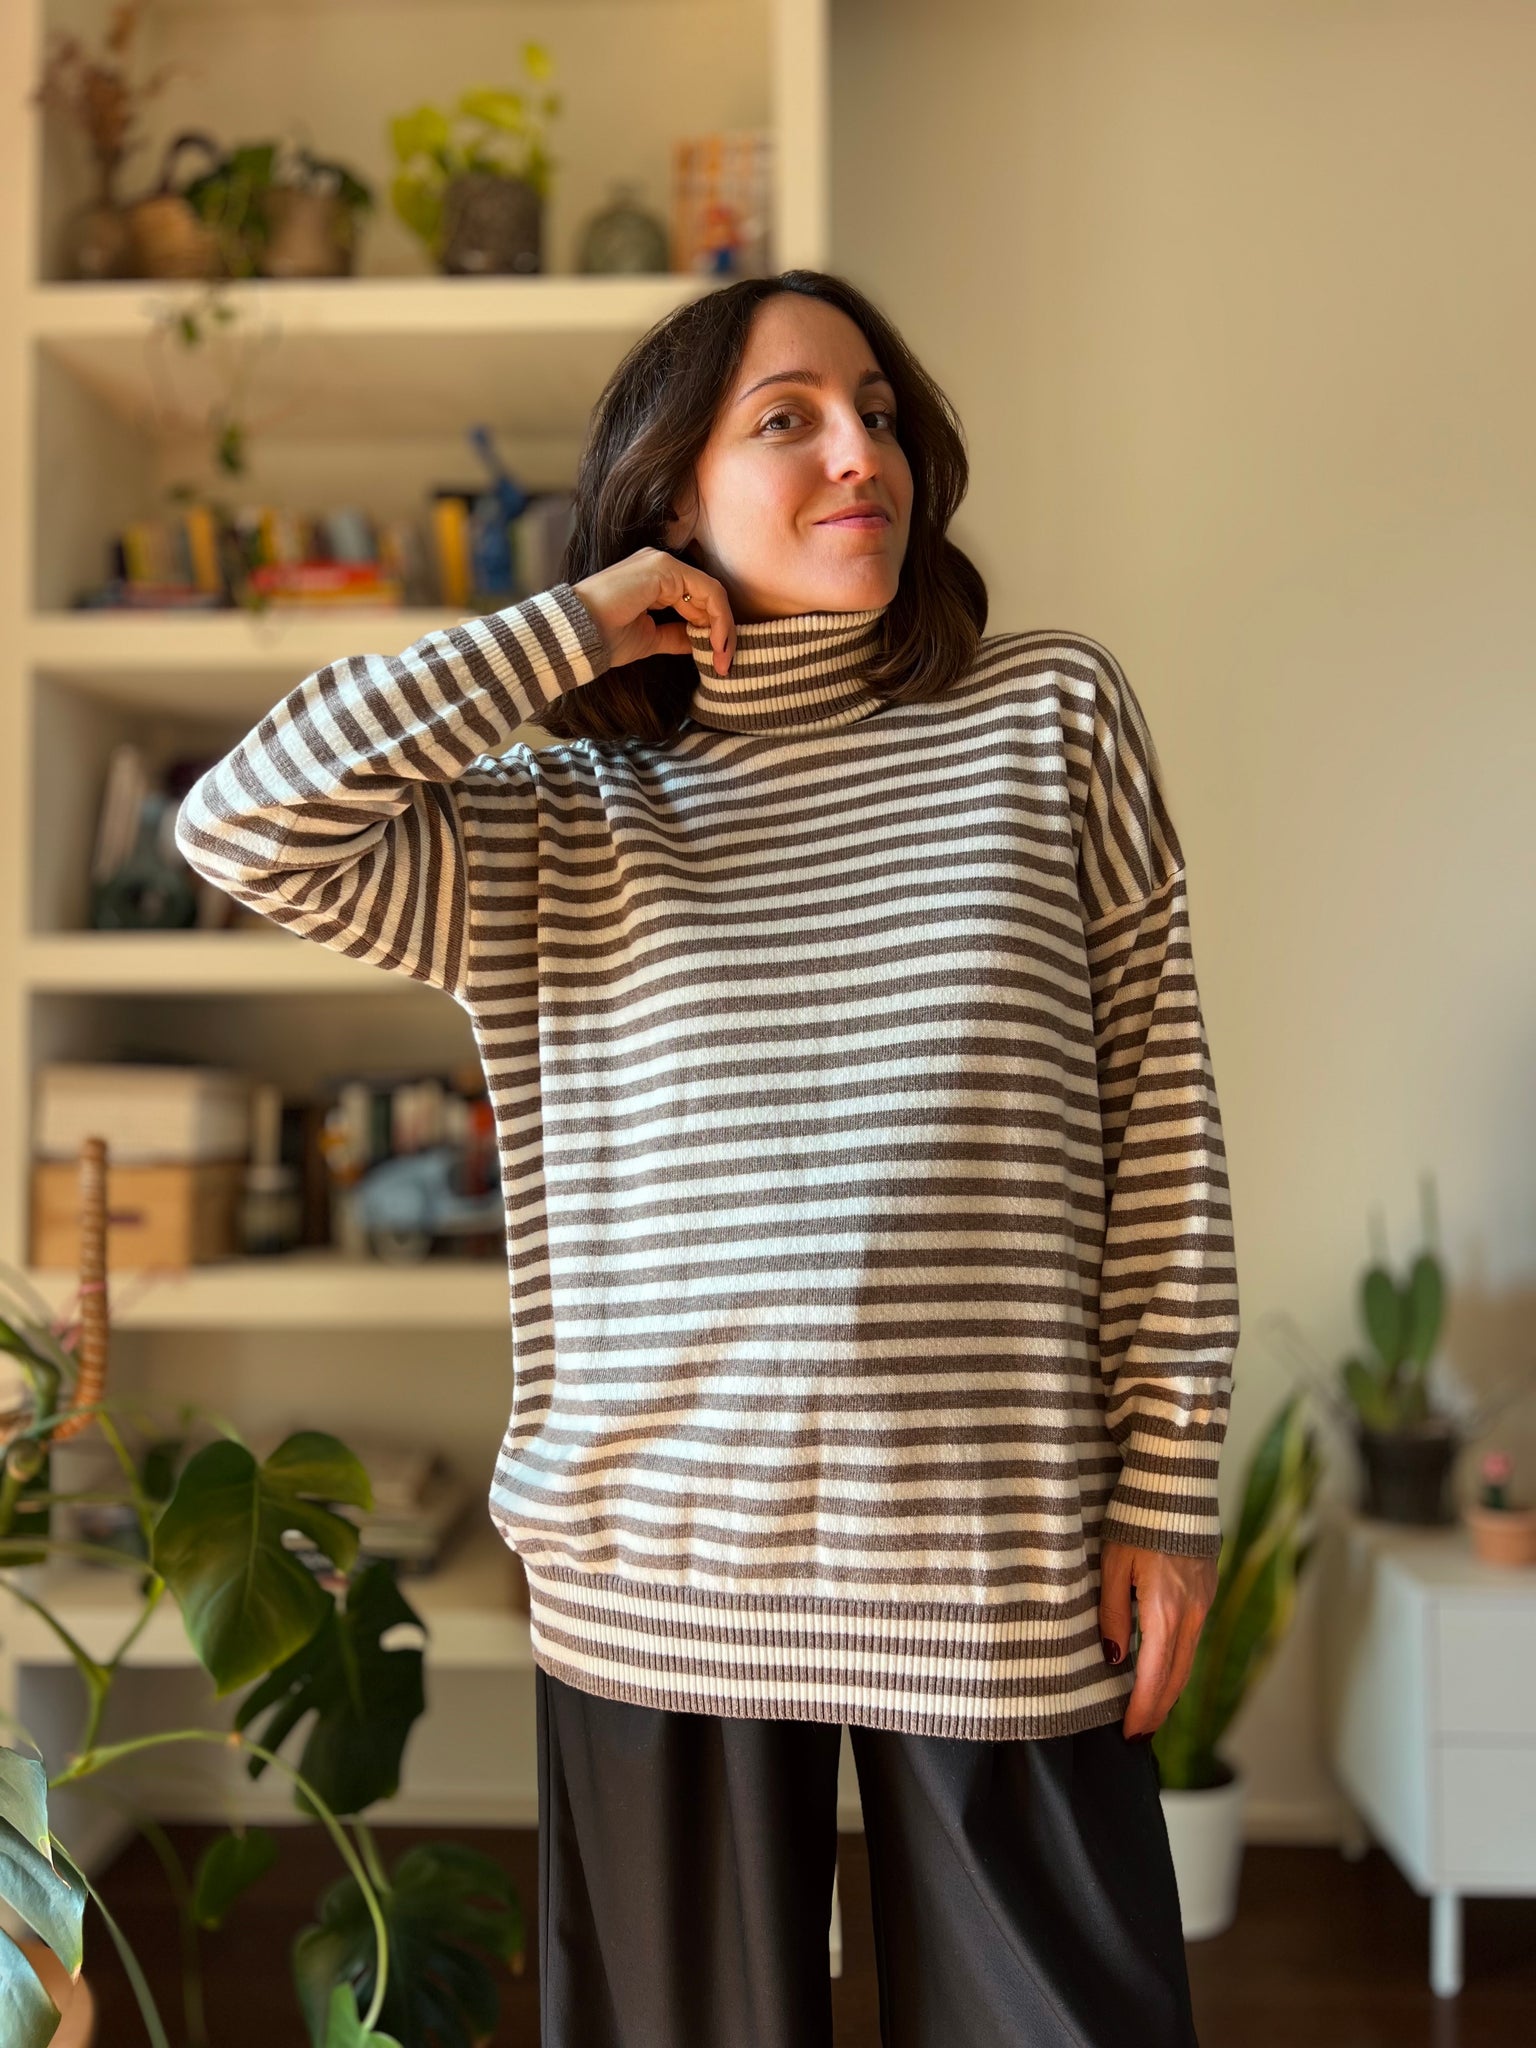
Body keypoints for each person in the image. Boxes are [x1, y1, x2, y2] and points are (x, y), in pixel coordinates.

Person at [177, 269, 1240, 2048]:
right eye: (789, 420)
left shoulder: (1048, 716)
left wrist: (1167, 1488)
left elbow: (1161, 1120)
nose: (862, 454)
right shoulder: (557, 824)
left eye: (878, 414)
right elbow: (243, 825)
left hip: (995, 1548)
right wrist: (573, 628)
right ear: (670, 495)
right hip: (659, 1571)